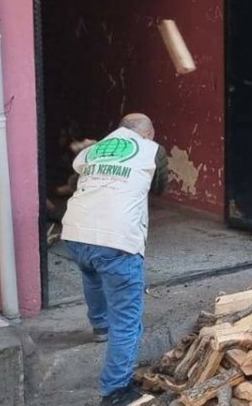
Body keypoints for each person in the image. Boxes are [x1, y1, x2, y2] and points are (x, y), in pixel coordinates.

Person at [61, 113, 169, 406]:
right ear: (149, 133)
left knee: (92, 273)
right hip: (117, 240)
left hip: (75, 231)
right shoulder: (152, 150)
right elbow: (159, 186)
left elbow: (74, 181)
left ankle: (99, 326)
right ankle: (116, 391)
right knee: (127, 320)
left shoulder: (91, 151)